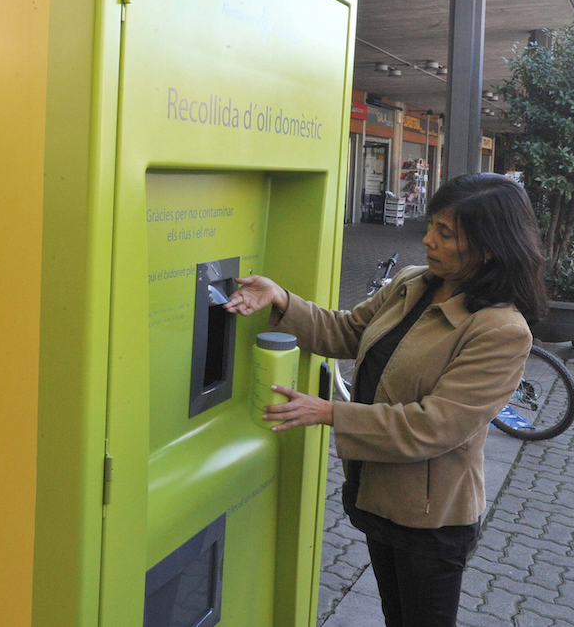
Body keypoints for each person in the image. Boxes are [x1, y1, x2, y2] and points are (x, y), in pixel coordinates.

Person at [223, 172, 546, 627]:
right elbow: (345, 331)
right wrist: (281, 299)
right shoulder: (413, 283)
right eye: (431, 224)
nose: (427, 239)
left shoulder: (500, 330)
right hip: (378, 495)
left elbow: (435, 426)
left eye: (445, 232)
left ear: (489, 247)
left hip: (431, 521)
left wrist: (331, 412)